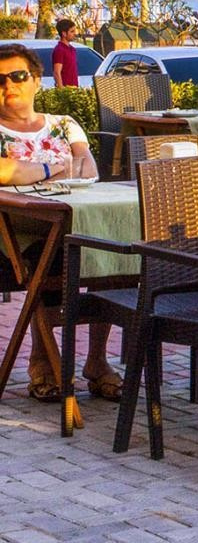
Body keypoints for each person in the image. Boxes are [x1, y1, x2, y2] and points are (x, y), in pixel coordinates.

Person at [0, 43, 118, 403]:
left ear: (37, 80)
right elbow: (4, 172)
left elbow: (88, 167)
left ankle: (97, 361)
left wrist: (34, 171)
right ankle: (43, 363)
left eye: (18, 76)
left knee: (114, 249)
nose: (8, 85)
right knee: (52, 255)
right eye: (0, 80)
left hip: (73, 220)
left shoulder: (63, 124)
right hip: (14, 233)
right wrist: (52, 168)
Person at [50, 18, 80, 88]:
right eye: (72, 31)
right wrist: (61, 89)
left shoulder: (72, 49)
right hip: (65, 89)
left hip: (74, 88)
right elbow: (57, 72)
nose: (74, 34)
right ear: (64, 33)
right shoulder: (59, 50)